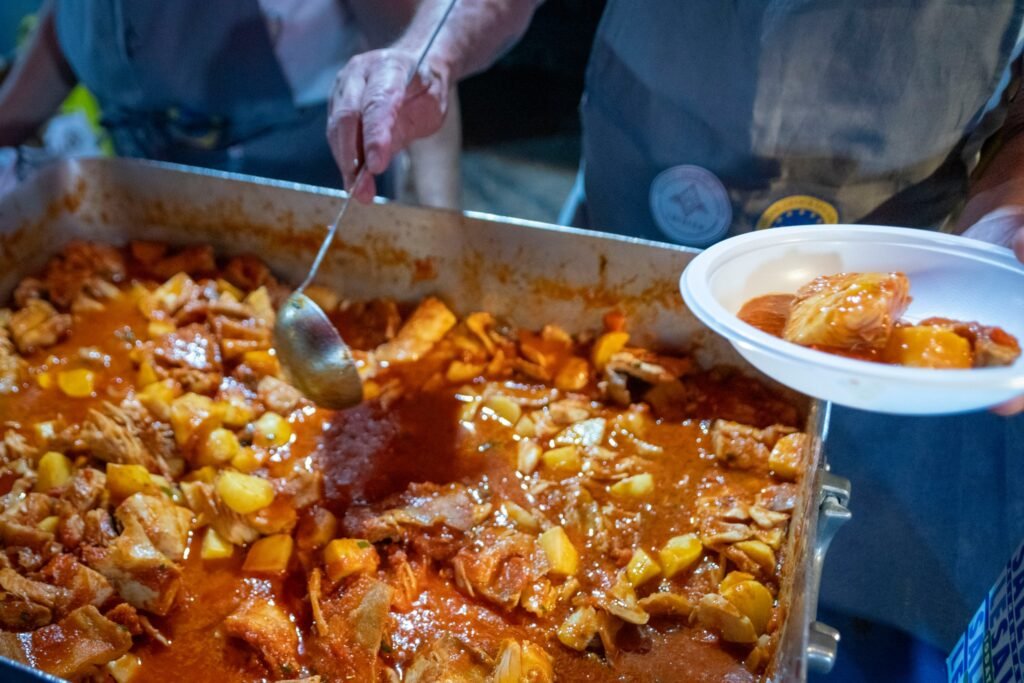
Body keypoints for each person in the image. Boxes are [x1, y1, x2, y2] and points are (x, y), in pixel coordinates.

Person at [328, 1, 1024, 678]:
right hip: (633, 202)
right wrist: (432, 50)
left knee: (864, 570)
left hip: (892, 276)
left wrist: (1008, 214)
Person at [0, 0, 462, 209]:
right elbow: (75, 23)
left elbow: (414, 66)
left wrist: (438, 230)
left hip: (311, 208)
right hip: (142, 207)